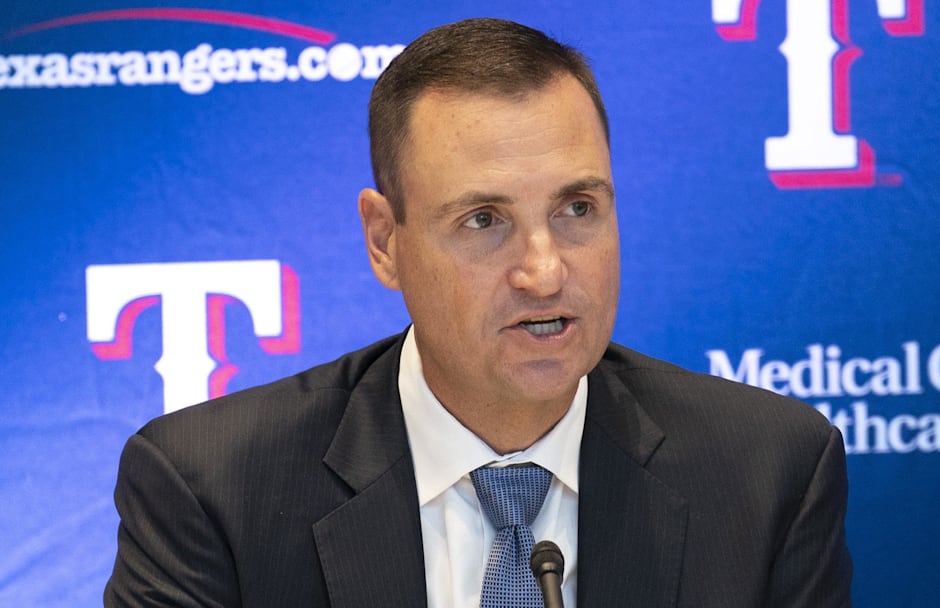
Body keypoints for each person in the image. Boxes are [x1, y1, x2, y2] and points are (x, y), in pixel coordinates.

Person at [104, 17, 852, 607]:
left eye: (577, 208)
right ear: (384, 241)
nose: (544, 271)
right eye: (484, 220)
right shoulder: (214, 492)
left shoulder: (766, 473)